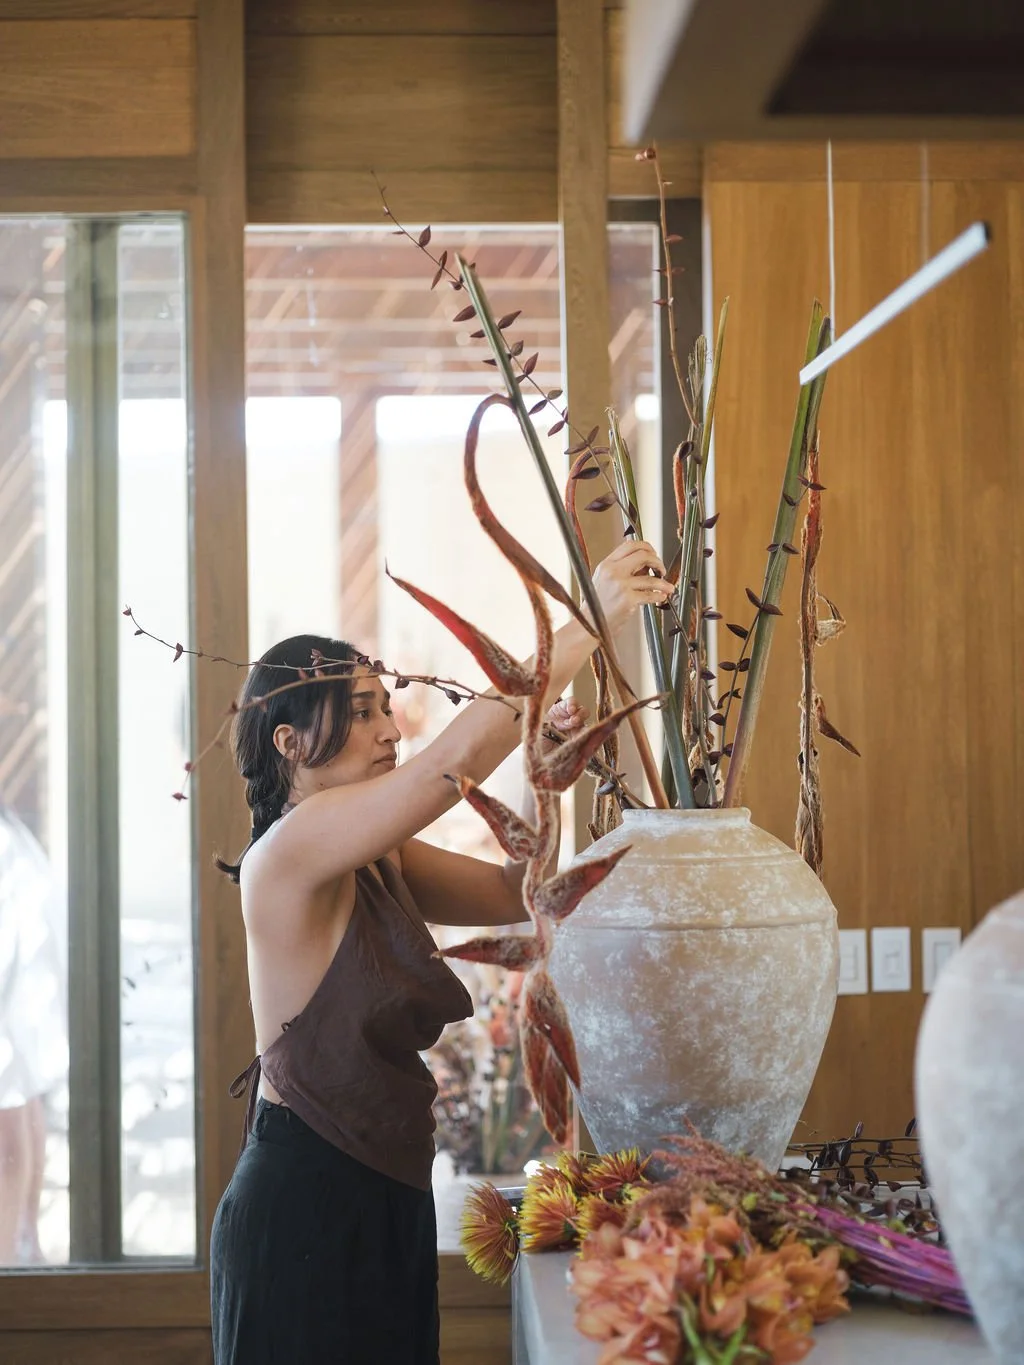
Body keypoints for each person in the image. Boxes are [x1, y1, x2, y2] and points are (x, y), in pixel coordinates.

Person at [209, 539, 671, 1365]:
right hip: (304, 1199)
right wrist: (587, 623)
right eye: (361, 710)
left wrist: (545, 767)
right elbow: (448, 765)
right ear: (287, 742)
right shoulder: (292, 847)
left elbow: (510, 891)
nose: (389, 727)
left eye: (386, 705)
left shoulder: (373, 851)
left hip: (385, 1183)